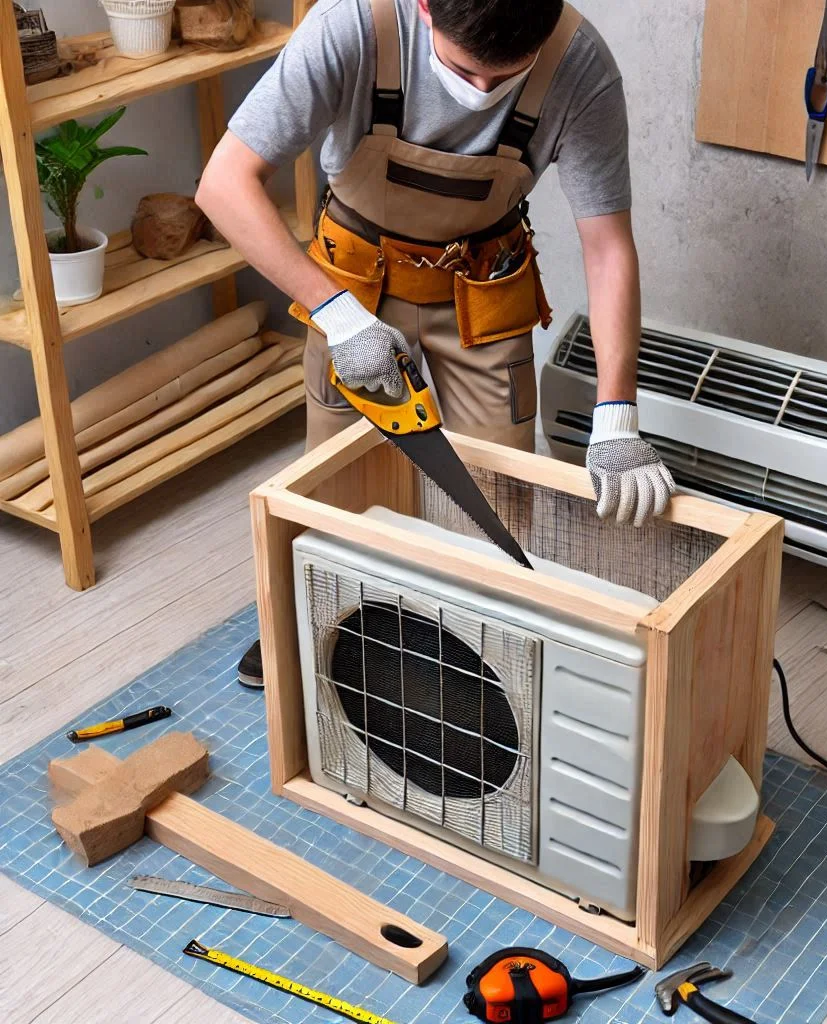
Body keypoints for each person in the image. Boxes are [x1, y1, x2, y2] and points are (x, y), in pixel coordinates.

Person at [196, 0, 673, 689]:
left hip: (483, 289)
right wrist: (337, 316)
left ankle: (486, 667)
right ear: (423, 6)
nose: (480, 96)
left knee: (503, 497)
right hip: (353, 286)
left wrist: (616, 414)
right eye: (462, 70)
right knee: (333, 488)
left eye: (506, 78)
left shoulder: (580, 61)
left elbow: (607, 247)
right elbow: (223, 184)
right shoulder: (352, 27)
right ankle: (303, 631)